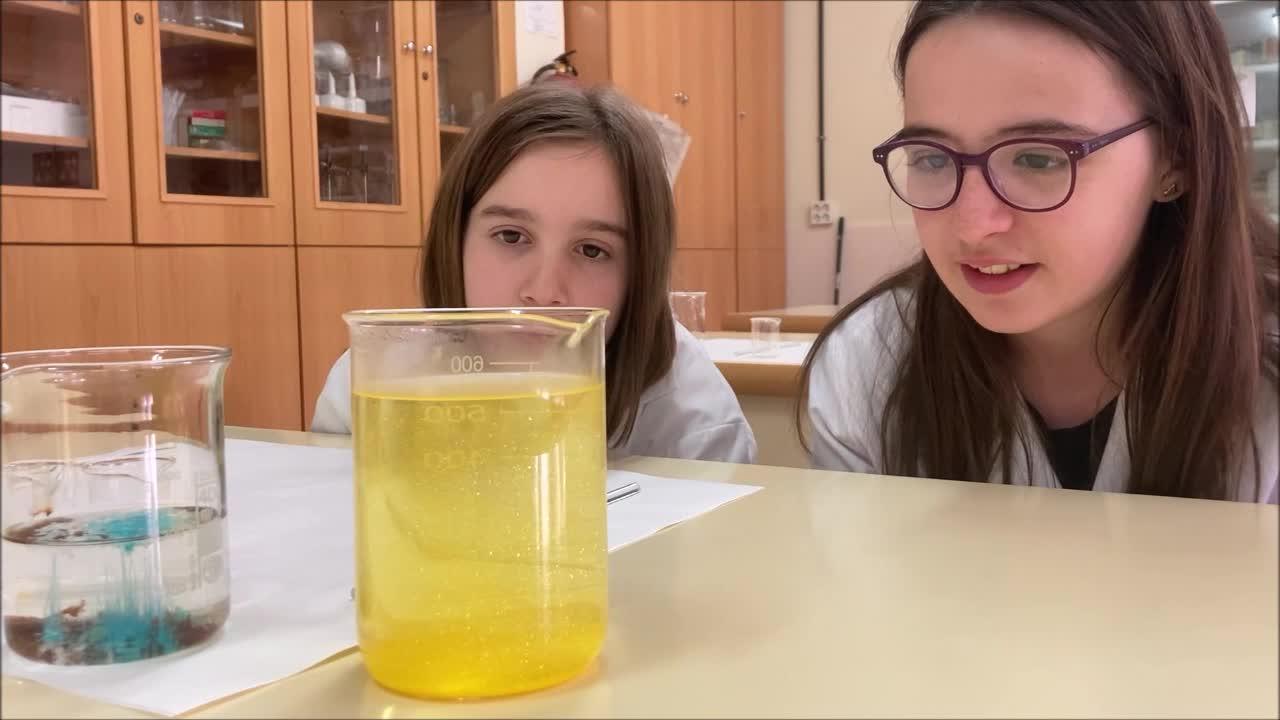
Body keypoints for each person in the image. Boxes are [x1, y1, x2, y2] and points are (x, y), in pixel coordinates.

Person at [801, 0, 1278, 501]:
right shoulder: (869, 364)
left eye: (1037, 158)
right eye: (931, 158)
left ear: (1176, 159)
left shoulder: (1264, 368)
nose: (973, 226)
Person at [313, 83, 756, 464]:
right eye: (511, 236)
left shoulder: (694, 422)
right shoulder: (373, 385)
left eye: (592, 250)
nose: (544, 293)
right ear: (455, 237)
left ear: (638, 275)